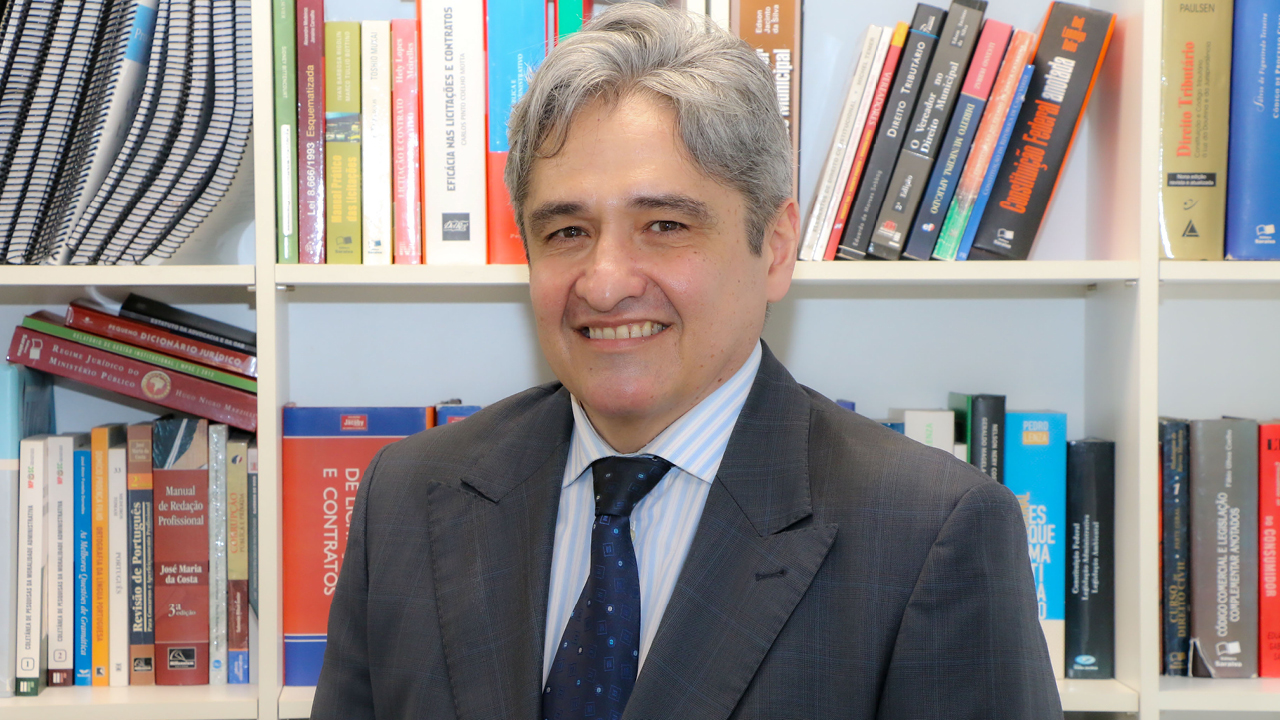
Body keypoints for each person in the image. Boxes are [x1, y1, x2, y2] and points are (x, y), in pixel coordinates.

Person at [312, 3, 1062, 718]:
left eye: (665, 225)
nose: (605, 283)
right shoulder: (407, 498)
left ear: (775, 248)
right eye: (567, 232)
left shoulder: (933, 535)